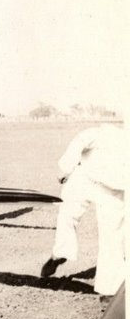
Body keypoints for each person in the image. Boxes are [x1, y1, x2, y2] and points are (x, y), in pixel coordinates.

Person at [40, 124, 126, 301]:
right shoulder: (110, 134)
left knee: (112, 238)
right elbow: (83, 138)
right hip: (85, 176)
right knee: (67, 211)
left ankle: (109, 290)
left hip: (115, 190)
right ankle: (60, 253)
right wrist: (66, 167)